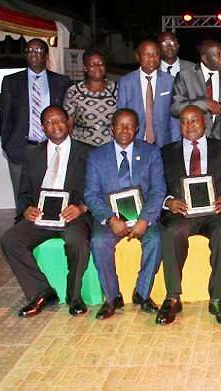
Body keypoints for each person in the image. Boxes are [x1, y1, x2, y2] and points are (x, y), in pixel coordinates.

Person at [0, 105, 91, 317]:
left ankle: (74, 296)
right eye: (50, 122)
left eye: (60, 120)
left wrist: (81, 207)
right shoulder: (32, 154)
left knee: (77, 241)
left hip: (72, 214)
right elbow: (23, 192)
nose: (56, 125)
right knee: (10, 239)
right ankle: (41, 291)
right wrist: (26, 210)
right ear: (43, 128)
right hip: (41, 215)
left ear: (68, 122)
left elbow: (98, 188)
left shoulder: (87, 152)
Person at [157, 106, 221, 326]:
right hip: (182, 213)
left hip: (216, 212)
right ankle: (173, 297)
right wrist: (168, 202)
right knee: (172, 231)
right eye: (184, 121)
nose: (190, 125)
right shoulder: (165, 152)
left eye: (194, 120)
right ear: (179, 125)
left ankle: (219, 299)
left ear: (204, 123)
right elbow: (155, 186)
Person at [84, 108, 166, 320]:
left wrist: (145, 220)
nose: (124, 130)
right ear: (112, 128)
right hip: (111, 218)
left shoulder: (151, 152)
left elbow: (158, 190)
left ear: (137, 128)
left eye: (130, 125)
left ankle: (142, 293)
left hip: (142, 217)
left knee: (156, 239)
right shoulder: (96, 156)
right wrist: (110, 219)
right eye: (120, 125)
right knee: (98, 241)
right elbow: (91, 194)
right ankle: (112, 297)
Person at [0, 39, 70, 214]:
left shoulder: (61, 81)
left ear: (46, 56)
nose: (33, 53)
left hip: (52, 147)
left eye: (38, 50)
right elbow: (5, 116)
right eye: (29, 49)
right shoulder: (11, 81)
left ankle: (49, 228)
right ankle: (22, 232)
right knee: (23, 198)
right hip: (20, 148)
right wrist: (7, 143)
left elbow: (67, 115)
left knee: (53, 191)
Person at [171, 39, 221, 146]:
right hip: (194, 140)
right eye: (218, 55)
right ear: (205, 58)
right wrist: (204, 104)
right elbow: (175, 108)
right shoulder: (185, 76)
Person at [117, 39, 180, 148]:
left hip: (164, 143)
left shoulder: (170, 81)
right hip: (135, 141)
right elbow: (121, 113)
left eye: (155, 54)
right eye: (147, 54)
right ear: (138, 57)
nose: (152, 58)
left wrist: (175, 144)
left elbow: (174, 116)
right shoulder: (126, 82)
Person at [63, 49, 117, 147]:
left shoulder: (117, 89)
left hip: (110, 144)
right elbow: (68, 122)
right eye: (93, 64)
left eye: (101, 64)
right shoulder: (74, 91)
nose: (97, 67)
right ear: (85, 68)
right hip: (81, 143)